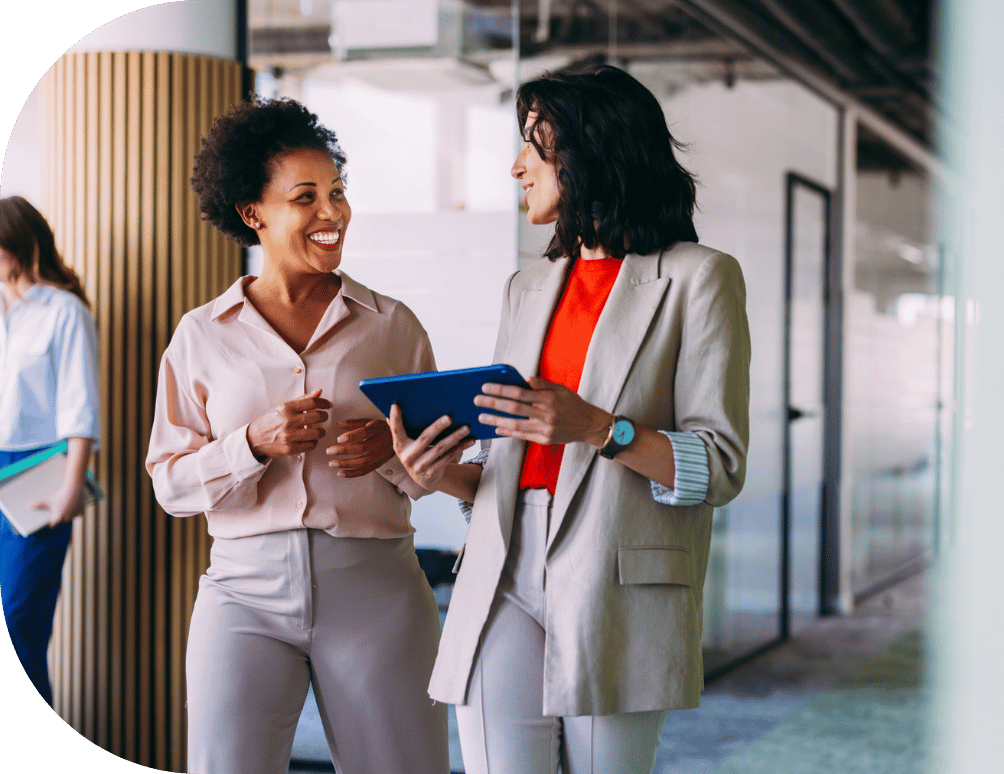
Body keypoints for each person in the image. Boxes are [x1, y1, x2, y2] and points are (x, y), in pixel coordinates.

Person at [389, 65, 751, 774]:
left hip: (617, 582)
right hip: (502, 568)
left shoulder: (699, 277)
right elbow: (512, 461)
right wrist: (445, 479)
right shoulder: (526, 287)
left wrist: (599, 429)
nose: (517, 165)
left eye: (535, 143)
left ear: (591, 151)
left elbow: (720, 466)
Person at [145, 97, 449, 774]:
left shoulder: (392, 326)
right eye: (305, 197)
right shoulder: (201, 334)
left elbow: (445, 466)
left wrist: (391, 451)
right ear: (253, 213)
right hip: (241, 596)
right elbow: (168, 483)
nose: (332, 213)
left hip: (377, 592)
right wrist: (249, 443)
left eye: (338, 193)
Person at [0, 195, 101, 708]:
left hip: (37, 472)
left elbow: (80, 408)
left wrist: (69, 488)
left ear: (16, 243)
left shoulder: (65, 312)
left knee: (19, 619)